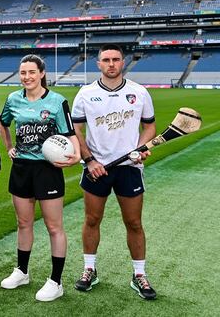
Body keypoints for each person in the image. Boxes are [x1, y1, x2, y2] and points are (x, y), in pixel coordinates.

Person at [71, 44, 158, 300]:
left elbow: (150, 126)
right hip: (96, 168)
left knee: (133, 222)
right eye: (106, 59)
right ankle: (89, 269)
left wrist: (141, 147)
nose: (111, 64)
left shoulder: (139, 92)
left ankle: (139, 274)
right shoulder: (85, 93)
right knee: (92, 220)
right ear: (98, 63)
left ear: (123, 62)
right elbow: (76, 131)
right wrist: (89, 161)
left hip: (128, 169)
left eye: (116, 59)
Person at [0, 54, 80, 302]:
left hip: (48, 170)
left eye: (32, 72)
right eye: (23, 73)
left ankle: (56, 281)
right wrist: (9, 147)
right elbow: (3, 123)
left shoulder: (57, 101)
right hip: (22, 168)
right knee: (23, 223)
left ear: (41, 73)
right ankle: (22, 271)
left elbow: (69, 132)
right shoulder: (13, 99)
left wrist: (76, 156)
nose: (27, 77)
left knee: (54, 227)